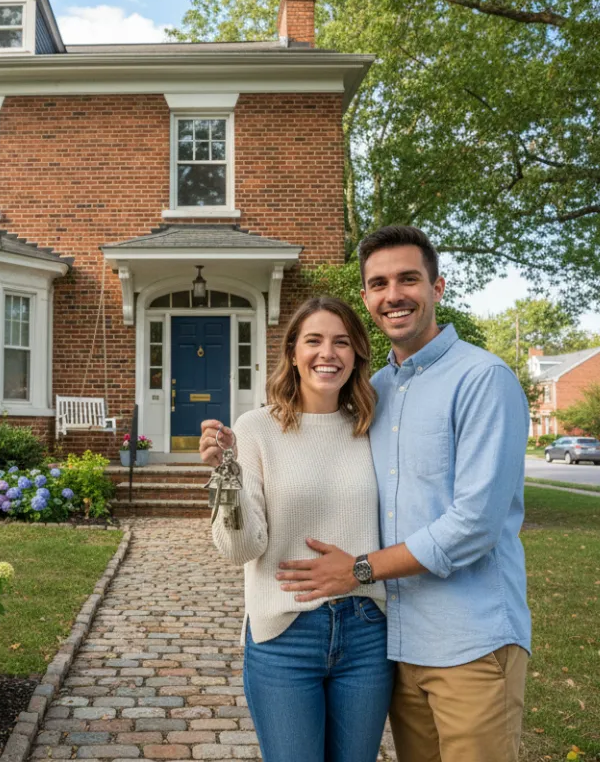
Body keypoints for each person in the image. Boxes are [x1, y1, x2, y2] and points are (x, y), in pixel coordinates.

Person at [203, 225, 531, 762]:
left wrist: (358, 569)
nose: (393, 294)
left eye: (408, 279)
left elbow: (475, 523)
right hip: (384, 641)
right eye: (379, 283)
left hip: (457, 637)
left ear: (438, 287)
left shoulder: (477, 380)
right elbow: (241, 545)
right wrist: (229, 476)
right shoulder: (380, 397)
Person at [205, 296, 393, 762]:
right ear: (292, 352)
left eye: (342, 342)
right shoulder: (255, 429)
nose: (327, 353)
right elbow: (239, 547)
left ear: (357, 355)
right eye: (314, 340)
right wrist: (225, 478)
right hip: (284, 634)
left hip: (367, 631)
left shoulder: (376, 427)